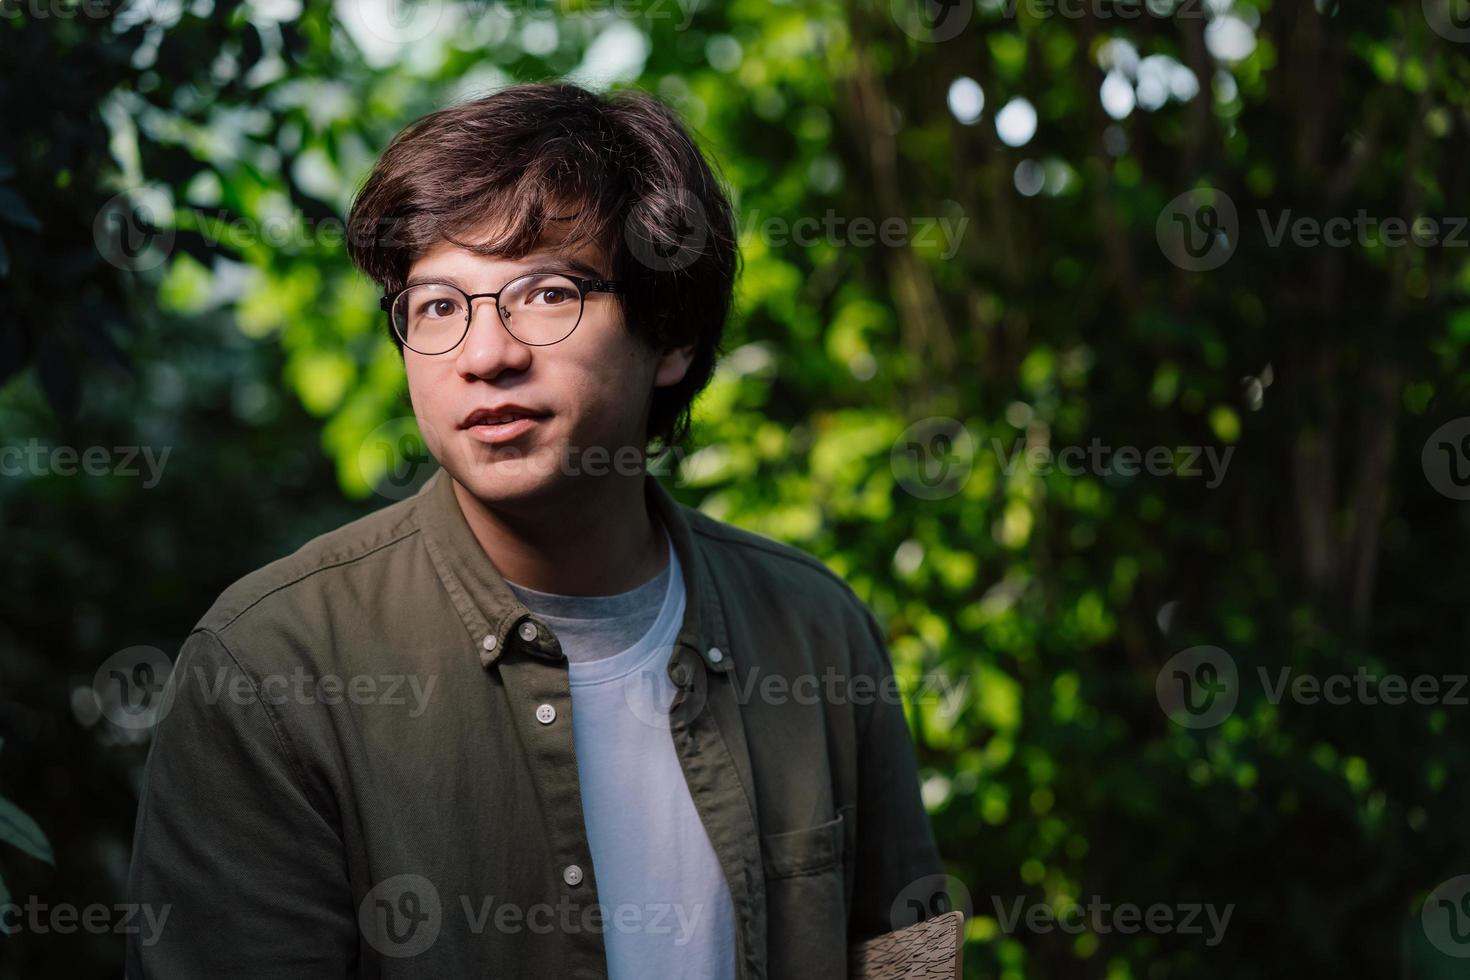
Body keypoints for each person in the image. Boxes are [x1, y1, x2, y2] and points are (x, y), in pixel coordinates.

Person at [126, 80, 944, 979]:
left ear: (668, 334)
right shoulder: (272, 671)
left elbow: (906, 954)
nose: (487, 356)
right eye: (437, 305)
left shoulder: (816, 629)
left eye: (547, 293)